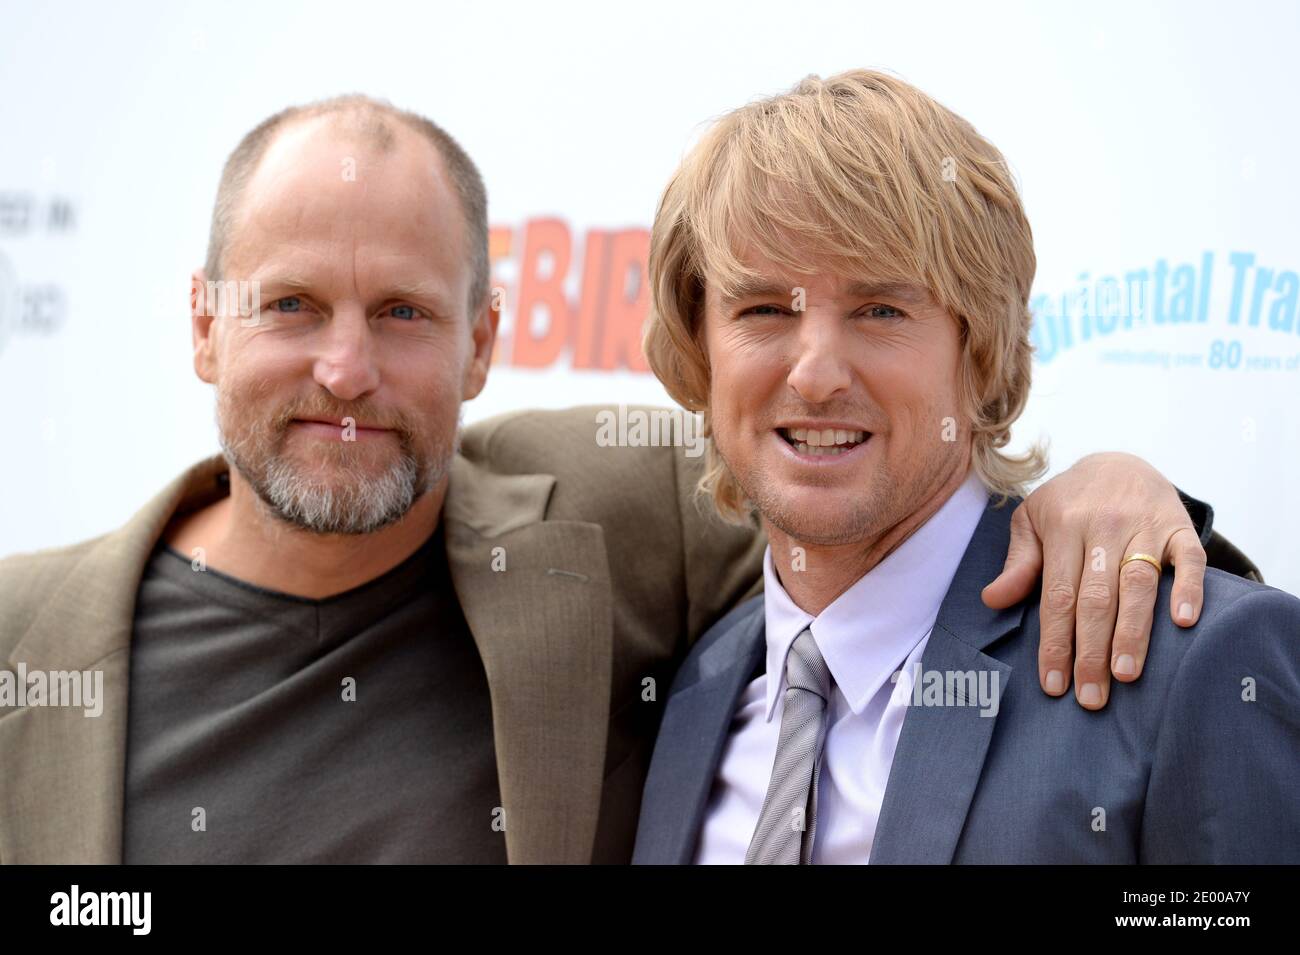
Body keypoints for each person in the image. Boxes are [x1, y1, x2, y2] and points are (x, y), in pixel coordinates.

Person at [0, 94, 1259, 865]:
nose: (345, 369)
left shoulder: (600, 526)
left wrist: (1116, 492)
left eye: (401, 311)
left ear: (484, 340)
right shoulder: (26, 641)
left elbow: (897, 512)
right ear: (205, 325)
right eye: (290, 306)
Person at [632, 69, 1299, 864]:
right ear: (700, 350)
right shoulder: (690, 690)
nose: (815, 373)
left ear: (979, 349)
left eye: (880, 309)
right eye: (764, 309)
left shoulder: (1187, 668)